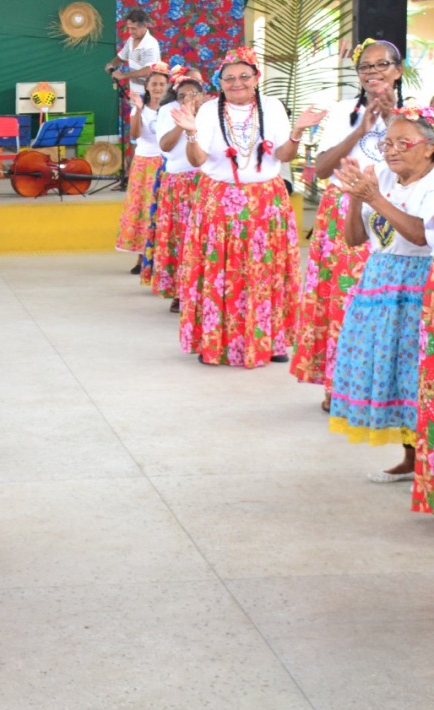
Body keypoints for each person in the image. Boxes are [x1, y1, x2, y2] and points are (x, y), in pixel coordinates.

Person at [170, 47, 325, 367]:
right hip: (218, 200)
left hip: (266, 202)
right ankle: (213, 341)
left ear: (256, 77)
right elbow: (198, 161)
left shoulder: (272, 108)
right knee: (219, 273)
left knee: (265, 271)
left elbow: (284, 156)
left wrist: (296, 132)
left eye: (244, 76)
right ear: (220, 82)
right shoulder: (210, 110)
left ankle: (272, 340)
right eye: (229, 78)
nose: (237, 82)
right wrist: (190, 133)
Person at [291, 39, 402, 410]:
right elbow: (321, 170)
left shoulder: (418, 113)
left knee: (388, 302)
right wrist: (359, 130)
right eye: (365, 67)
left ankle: (383, 392)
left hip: (394, 214)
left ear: (397, 70)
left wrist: (389, 121)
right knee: (343, 300)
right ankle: (339, 388)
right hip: (342, 212)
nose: (373, 72)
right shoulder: (342, 110)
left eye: (381, 64)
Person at [329, 105, 434, 484]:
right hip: (380, 281)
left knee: (416, 370)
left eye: (402, 142)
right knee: (393, 369)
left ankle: (424, 458)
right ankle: (410, 458)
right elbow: (355, 239)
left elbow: (421, 234)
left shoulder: (431, 183)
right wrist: (356, 196)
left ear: (428, 148)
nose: (391, 150)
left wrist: (373, 198)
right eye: (386, 142)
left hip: (418, 284)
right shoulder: (384, 179)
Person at [152, 66, 206, 311]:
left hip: (204, 181)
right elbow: (164, 146)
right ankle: (179, 293)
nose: (187, 99)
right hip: (177, 182)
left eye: (192, 94)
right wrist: (183, 124)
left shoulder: (211, 113)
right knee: (179, 239)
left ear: (202, 95)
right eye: (182, 95)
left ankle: (203, 290)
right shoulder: (167, 111)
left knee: (202, 239)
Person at [115, 61, 169, 276]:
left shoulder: (171, 109)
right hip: (144, 163)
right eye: (154, 84)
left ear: (167, 87)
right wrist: (137, 110)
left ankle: (161, 258)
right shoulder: (141, 108)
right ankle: (141, 258)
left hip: (165, 162)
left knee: (161, 209)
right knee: (142, 208)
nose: (157, 88)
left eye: (161, 84)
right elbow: (136, 135)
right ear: (147, 86)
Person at [103, 9, 162, 101]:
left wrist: (123, 76)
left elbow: (148, 70)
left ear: (145, 26)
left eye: (133, 28)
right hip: (135, 92)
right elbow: (122, 57)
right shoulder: (131, 40)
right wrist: (112, 64)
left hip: (149, 94)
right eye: (129, 28)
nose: (130, 32)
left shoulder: (151, 44)